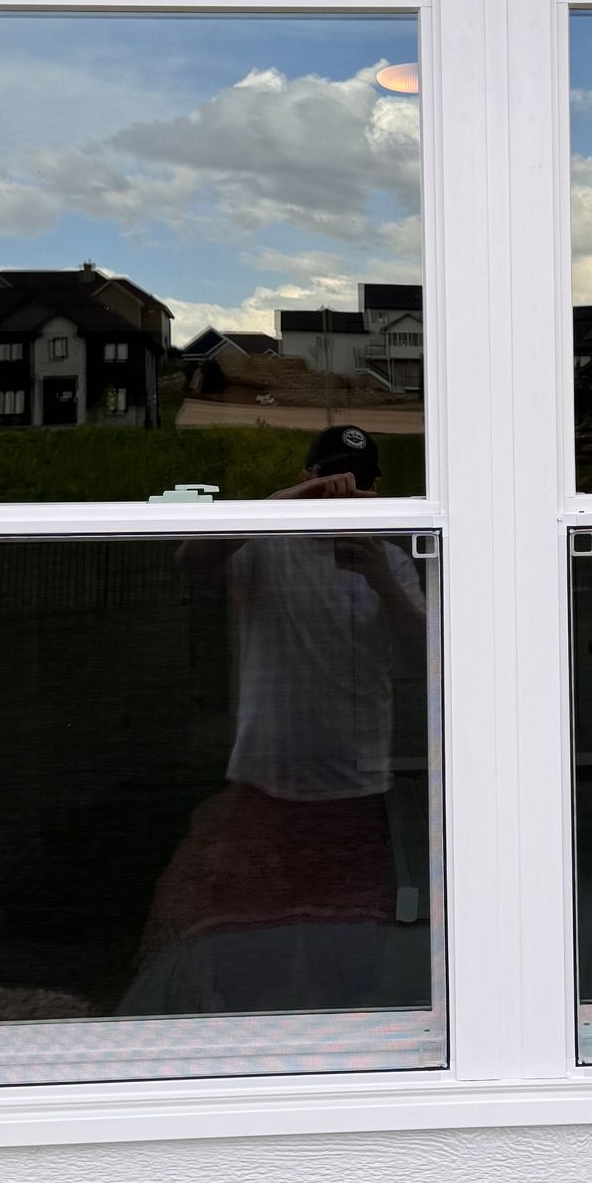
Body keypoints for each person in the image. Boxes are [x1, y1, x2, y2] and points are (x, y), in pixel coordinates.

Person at [120, 425, 428, 1015]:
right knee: (247, 965)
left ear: (375, 489)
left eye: (357, 483)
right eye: (330, 480)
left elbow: (423, 660)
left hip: (357, 791)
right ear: (307, 480)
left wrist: (380, 577)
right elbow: (193, 554)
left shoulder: (390, 558)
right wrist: (295, 502)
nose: (342, 495)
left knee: (348, 972)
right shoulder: (266, 544)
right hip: (265, 786)